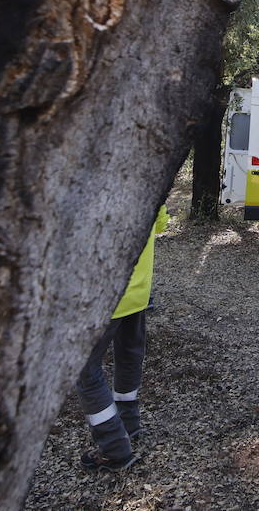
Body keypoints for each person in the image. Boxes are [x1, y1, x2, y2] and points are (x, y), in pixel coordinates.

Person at [78, 203, 169, 473]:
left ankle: (114, 448)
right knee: (129, 355)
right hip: (138, 289)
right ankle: (129, 424)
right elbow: (161, 224)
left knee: (84, 369)